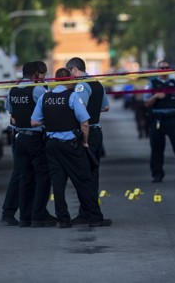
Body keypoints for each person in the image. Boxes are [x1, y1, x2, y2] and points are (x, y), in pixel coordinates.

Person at [31, 67, 111, 228]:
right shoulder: (73, 97)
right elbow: (85, 123)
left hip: (52, 145)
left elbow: (34, 122)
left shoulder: (45, 98)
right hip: (71, 146)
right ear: (69, 80)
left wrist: (49, 122)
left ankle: (63, 220)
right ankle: (95, 218)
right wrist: (85, 142)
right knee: (84, 180)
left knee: (58, 183)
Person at [4, 62, 55, 228]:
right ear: (36, 76)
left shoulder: (13, 90)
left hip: (19, 138)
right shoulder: (38, 90)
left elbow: (11, 113)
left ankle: (25, 217)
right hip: (35, 138)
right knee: (42, 176)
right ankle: (38, 215)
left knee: (24, 177)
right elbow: (49, 110)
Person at [65, 57, 110, 225]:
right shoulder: (97, 83)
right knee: (92, 174)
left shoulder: (81, 86)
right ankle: (86, 212)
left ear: (74, 70)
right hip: (97, 131)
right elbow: (106, 107)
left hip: (87, 133)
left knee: (84, 176)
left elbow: (78, 109)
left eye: (69, 73)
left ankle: (90, 214)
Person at [144, 58, 175, 183]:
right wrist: (155, 96)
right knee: (157, 149)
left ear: (170, 69)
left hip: (173, 119)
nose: (164, 70)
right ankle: (157, 174)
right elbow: (146, 103)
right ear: (158, 70)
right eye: (162, 68)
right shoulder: (152, 84)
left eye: (166, 68)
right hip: (158, 119)